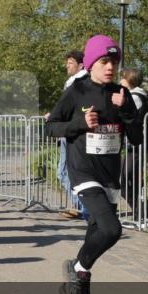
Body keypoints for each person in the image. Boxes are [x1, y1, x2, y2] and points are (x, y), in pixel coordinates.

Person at [45, 35, 140, 294]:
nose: (110, 67)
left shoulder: (122, 95)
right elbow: (51, 128)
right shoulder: (76, 91)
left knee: (98, 229)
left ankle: (79, 280)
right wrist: (79, 123)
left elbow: (136, 136)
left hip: (110, 172)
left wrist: (126, 110)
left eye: (114, 61)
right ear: (91, 63)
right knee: (112, 229)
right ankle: (80, 269)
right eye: (104, 61)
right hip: (83, 169)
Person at [57, 50, 89, 220]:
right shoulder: (73, 83)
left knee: (66, 172)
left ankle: (85, 209)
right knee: (63, 172)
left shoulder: (80, 83)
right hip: (67, 131)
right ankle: (80, 207)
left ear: (81, 65)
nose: (67, 66)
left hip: (72, 133)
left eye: (70, 62)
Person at [118, 68, 148, 218]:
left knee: (127, 178)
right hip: (134, 145)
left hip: (136, 144)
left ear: (128, 80)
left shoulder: (135, 97)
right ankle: (140, 213)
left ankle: (141, 213)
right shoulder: (136, 95)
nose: (119, 81)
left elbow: (127, 117)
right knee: (129, 178)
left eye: (122, 78)